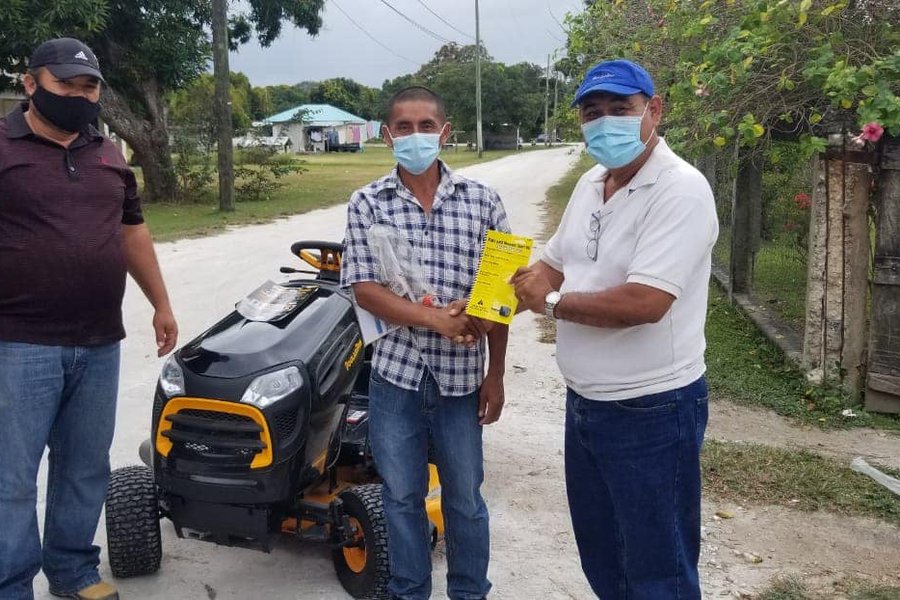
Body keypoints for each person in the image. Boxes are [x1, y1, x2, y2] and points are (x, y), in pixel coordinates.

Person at [511, 59, 718, 599]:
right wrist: (499, 292)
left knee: (658, 567)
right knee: (604, 557)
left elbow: (646, 301)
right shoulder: (590, 182)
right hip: (586, 403)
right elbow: (555, 261)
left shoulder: (681, 190)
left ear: (653, 109)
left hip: (651, 409)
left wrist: (550, 303)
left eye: (620, 109)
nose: (605, 123)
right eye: (592, 112)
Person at [0, 38, 178, 600]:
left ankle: (74, 571)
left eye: (90, 86)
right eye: (67, 85)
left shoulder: (108, 153)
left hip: (100, 341)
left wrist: (161, 302)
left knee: (84, 468)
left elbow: (132, 230)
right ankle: (10, 583)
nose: (81, 96)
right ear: (31, 84)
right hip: (17, 342)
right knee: (11, 479)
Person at [341, 86, 508, 600]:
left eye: (427, 126)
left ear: (445, 131)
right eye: (405, 127)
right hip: (395, 378)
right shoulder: (368, 203)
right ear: (388, 134)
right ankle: (410, 590)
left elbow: (500, 292)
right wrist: (436, 320)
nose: (417, 135)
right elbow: (364, 288)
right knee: (400, 496)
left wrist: (495, 373)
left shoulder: (483, 202)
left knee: (465, 499)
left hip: (462, 381)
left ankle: (469, 592)